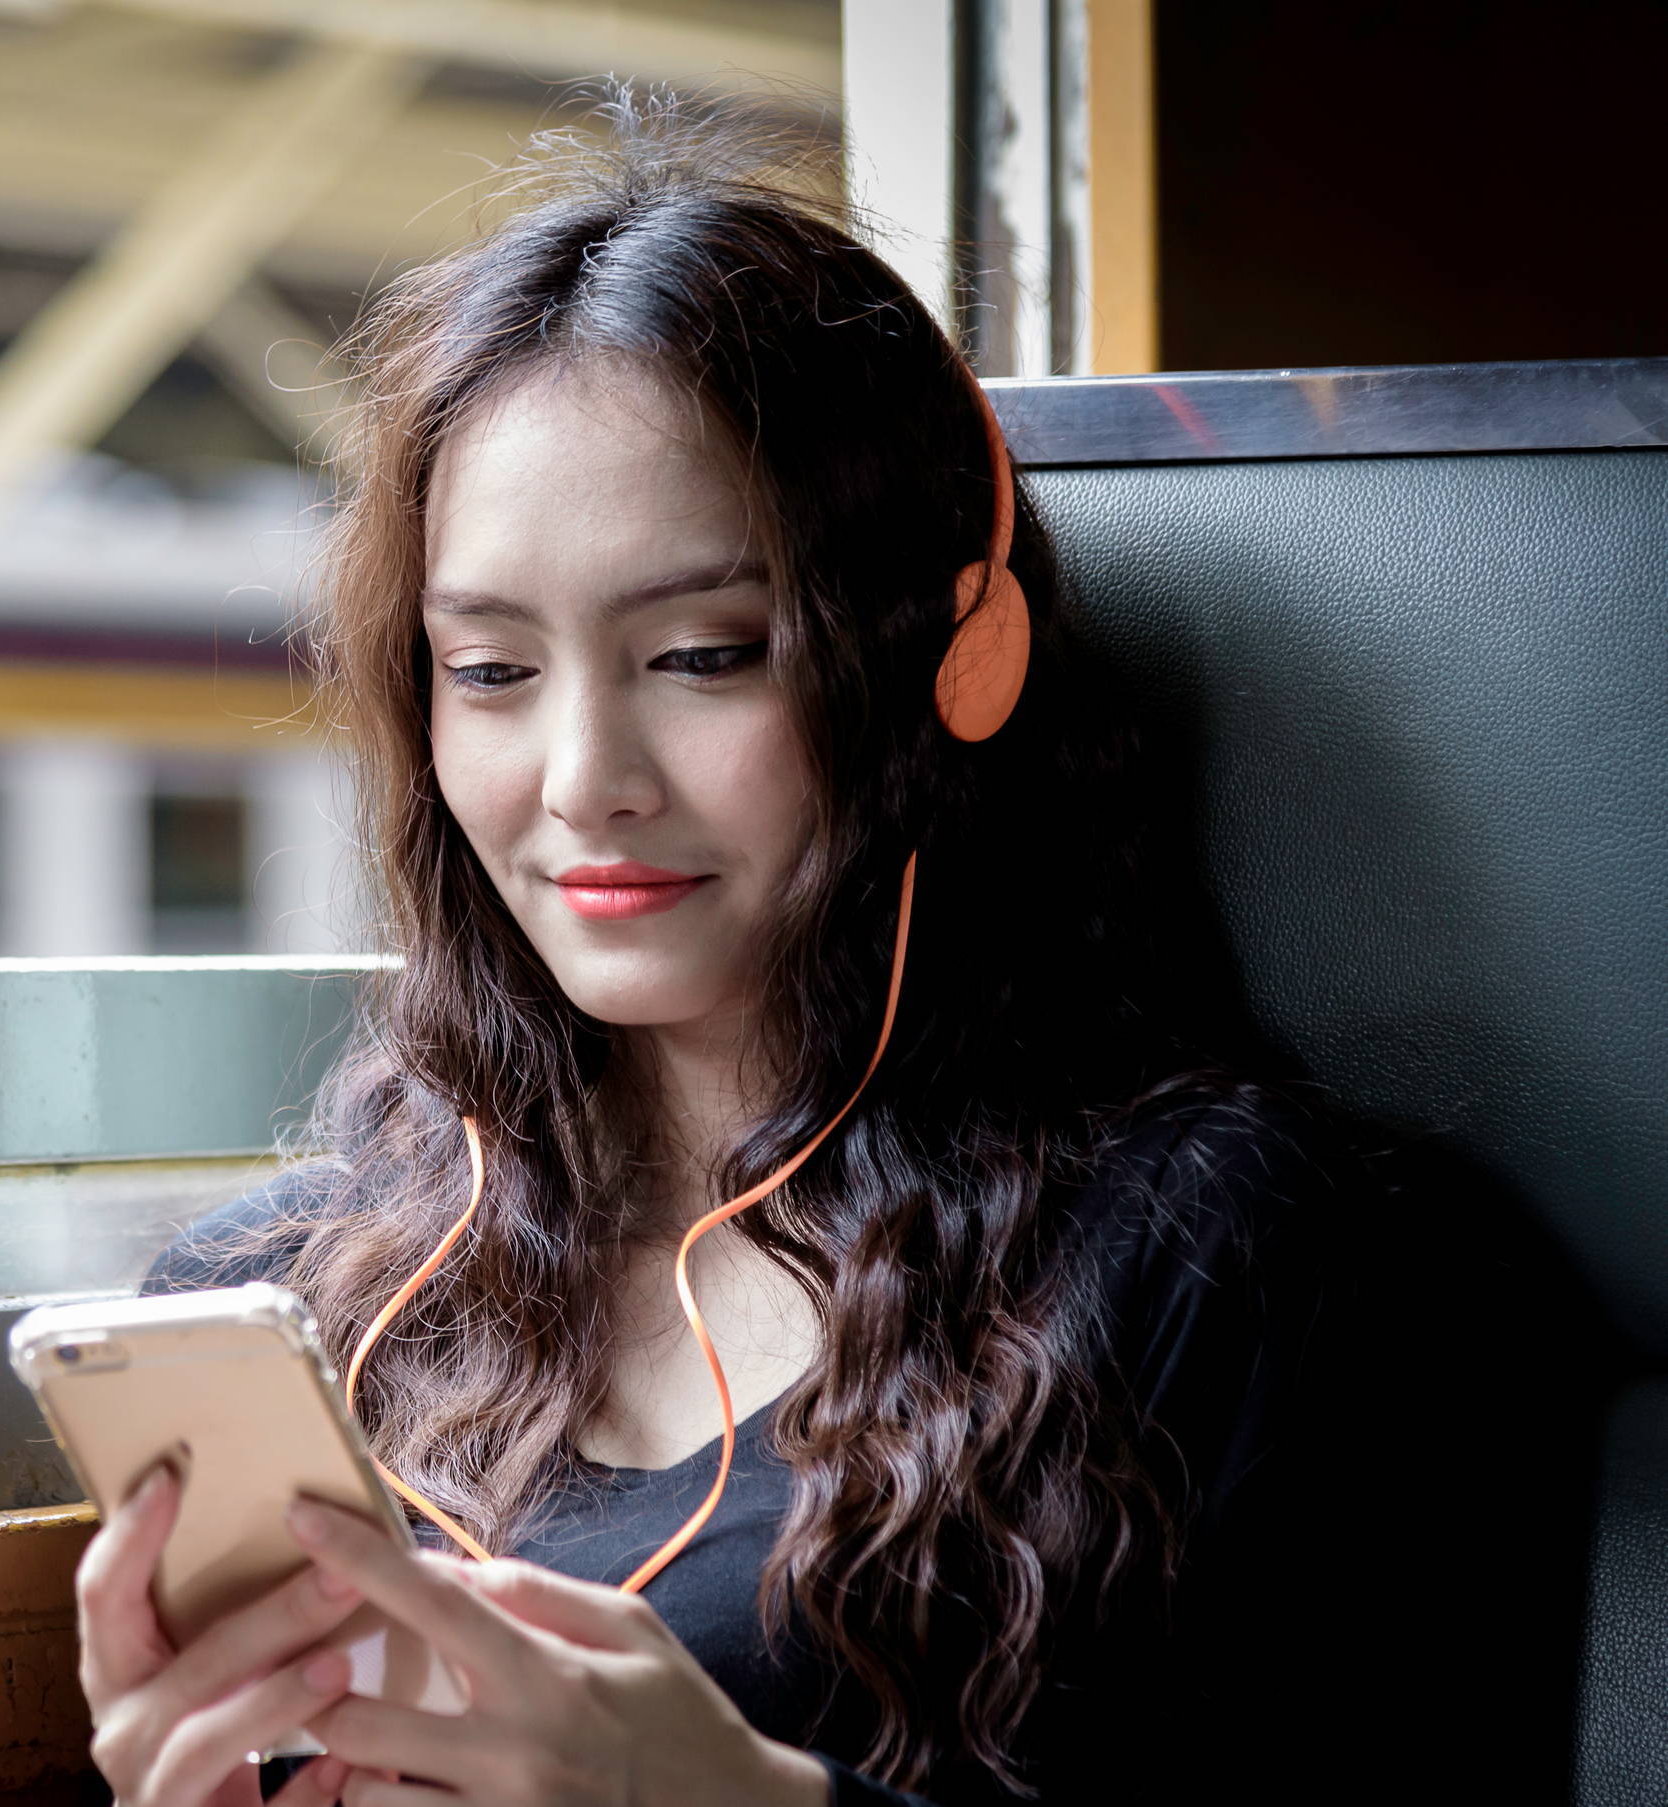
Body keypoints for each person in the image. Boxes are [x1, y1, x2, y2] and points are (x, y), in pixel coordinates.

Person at [71, 95, 1330, 1807]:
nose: (584, 783)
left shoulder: (1218, 1258)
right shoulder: (300, 1298)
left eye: (707, 654)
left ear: (955, 665)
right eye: (494, 672)